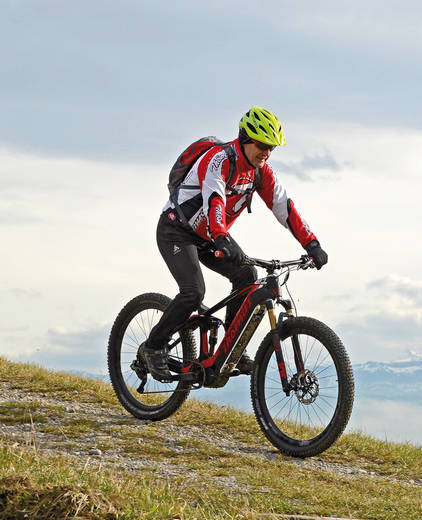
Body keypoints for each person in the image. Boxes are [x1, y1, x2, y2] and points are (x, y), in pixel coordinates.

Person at [139, 106, 328, 379]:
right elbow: (214, 199)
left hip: (210, 235)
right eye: (262, 145)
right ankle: (153, 346)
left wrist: (311, 244)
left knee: (247, 275)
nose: (267, 153)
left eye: (272, 148)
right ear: (245, 138)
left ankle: (232, 350)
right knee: (193, 292)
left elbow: (284, 207)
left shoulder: (261, 172)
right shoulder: (219, 160)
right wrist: (220, 237)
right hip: (176, 230)